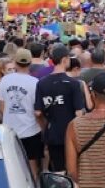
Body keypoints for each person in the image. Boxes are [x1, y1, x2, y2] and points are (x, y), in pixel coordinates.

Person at [35, 44, 84, 173]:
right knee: (73, 169)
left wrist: (45, 127)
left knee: (58, 170)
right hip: (71, 133)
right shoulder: (73, 84)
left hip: (53, 133)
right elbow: (79, 113)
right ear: (64, 60)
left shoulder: (42, 83)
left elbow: (38, 112)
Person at [0, 48, 43, 179]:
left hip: (10, 131)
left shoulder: (4, 81)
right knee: (32, 167)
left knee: (11, 167)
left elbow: (1, 107)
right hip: (31, 130)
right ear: (30, 63)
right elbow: (37, 111)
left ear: (15, 63)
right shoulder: (35, 83)